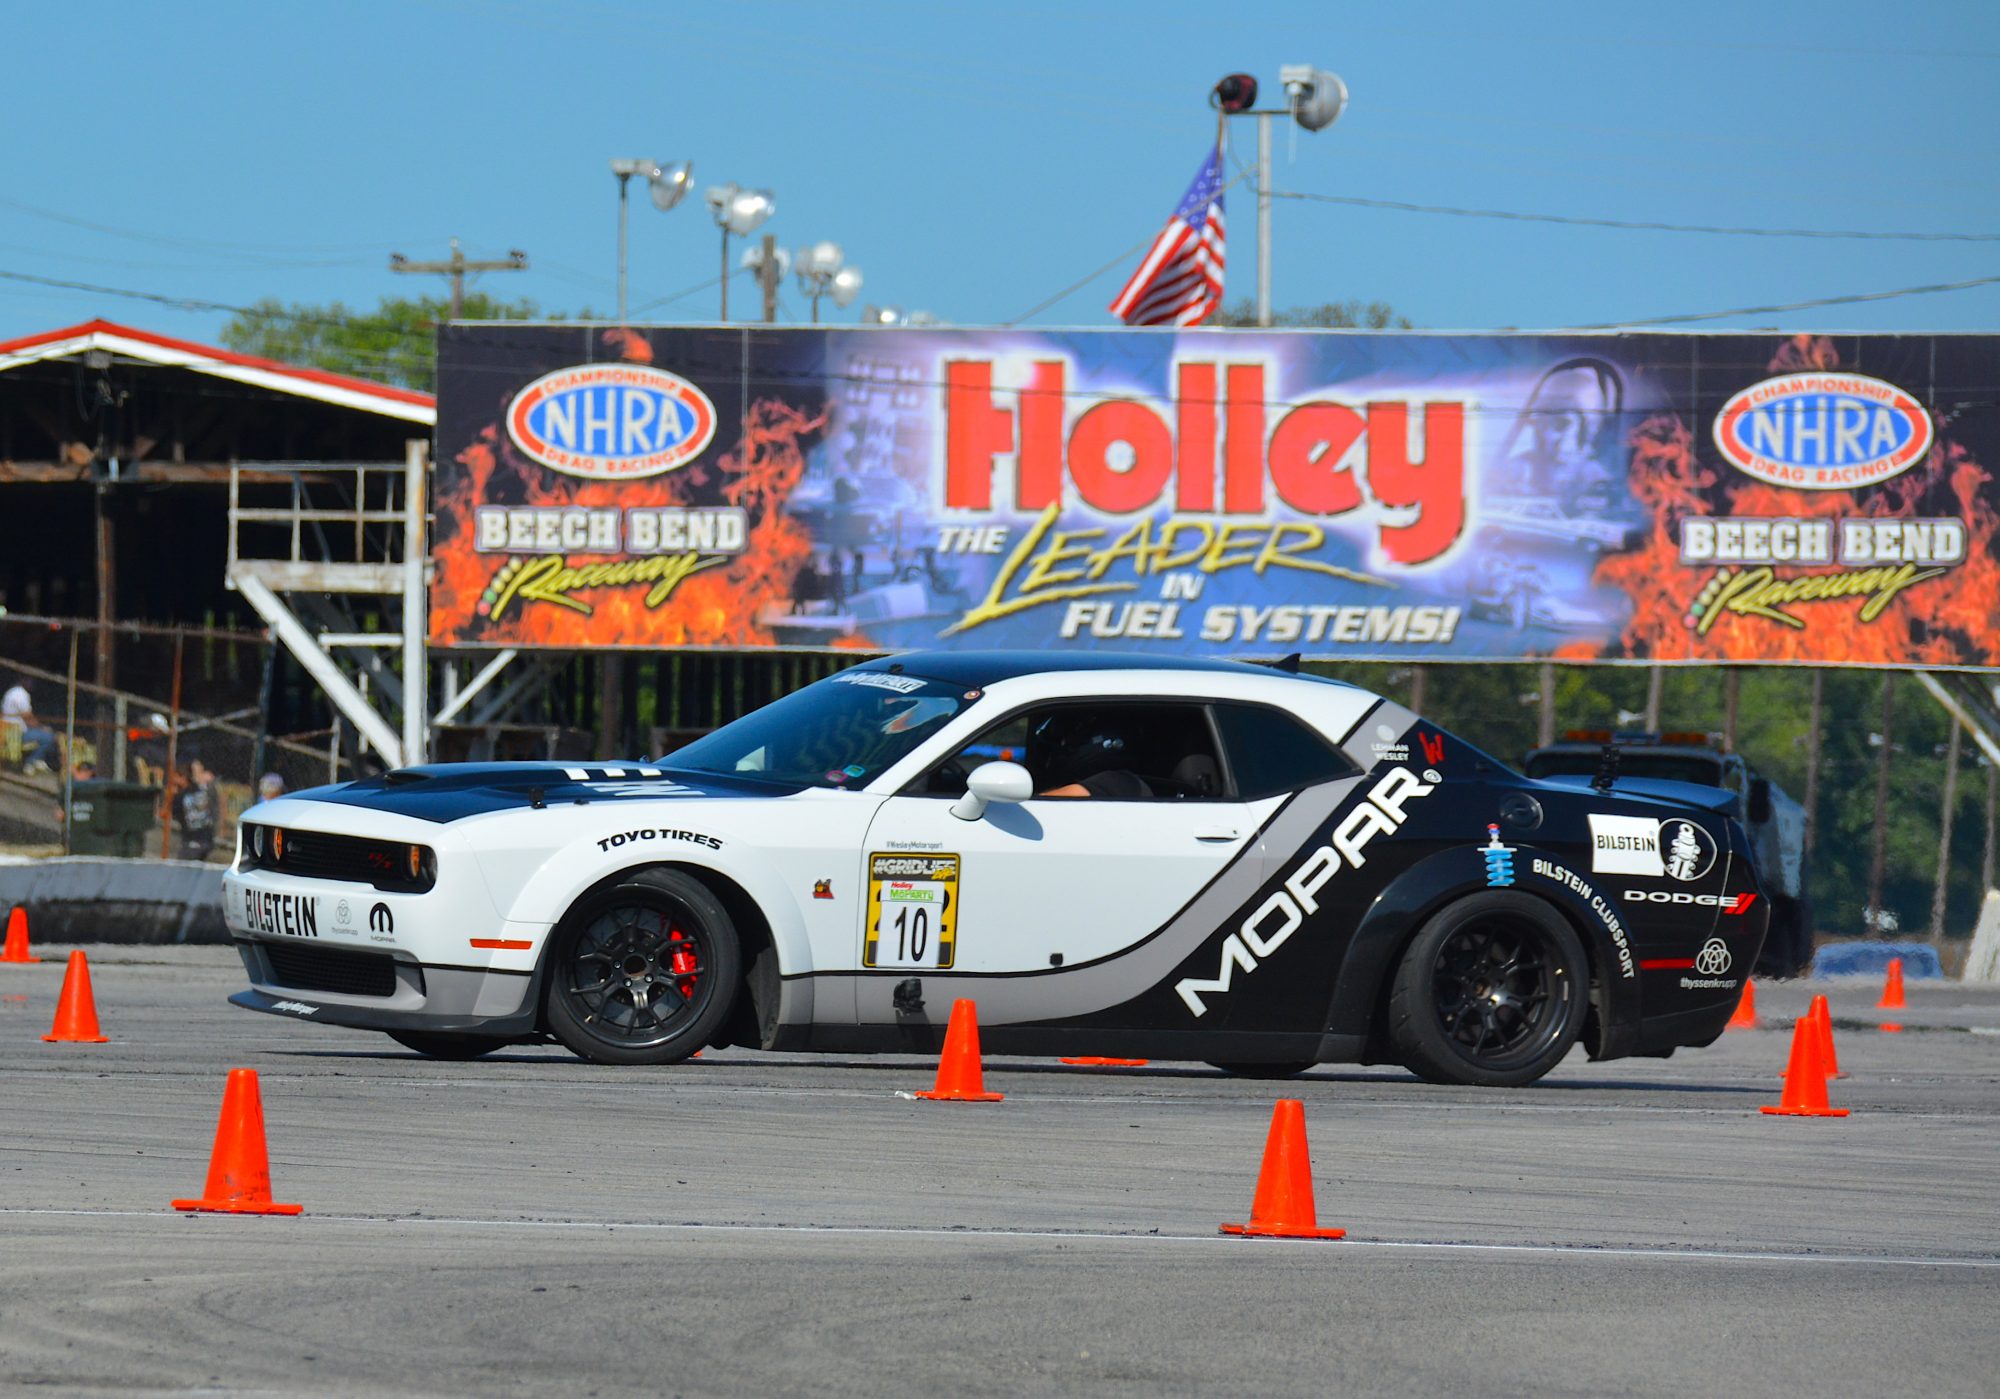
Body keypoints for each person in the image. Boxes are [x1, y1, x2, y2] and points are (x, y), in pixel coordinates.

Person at [2, 677, 57, 774]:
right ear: (23, 680)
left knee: (42, 734)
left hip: (10, 729)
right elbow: (28, 718)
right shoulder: (21, 694)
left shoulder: (12, 691)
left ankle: (38, 761)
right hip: (15, 732)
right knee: (50, 737)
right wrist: (43, 728)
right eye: (30, 681)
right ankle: (31, 762)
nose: (32, 684)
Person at [175, 757, 221, 861]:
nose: (197, 776)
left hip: (205, 840)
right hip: (191, 841)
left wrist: (205, 784)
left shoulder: (208, 790)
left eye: (200, 771)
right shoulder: (184, 795)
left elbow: (215, 809)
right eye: (194, 772)